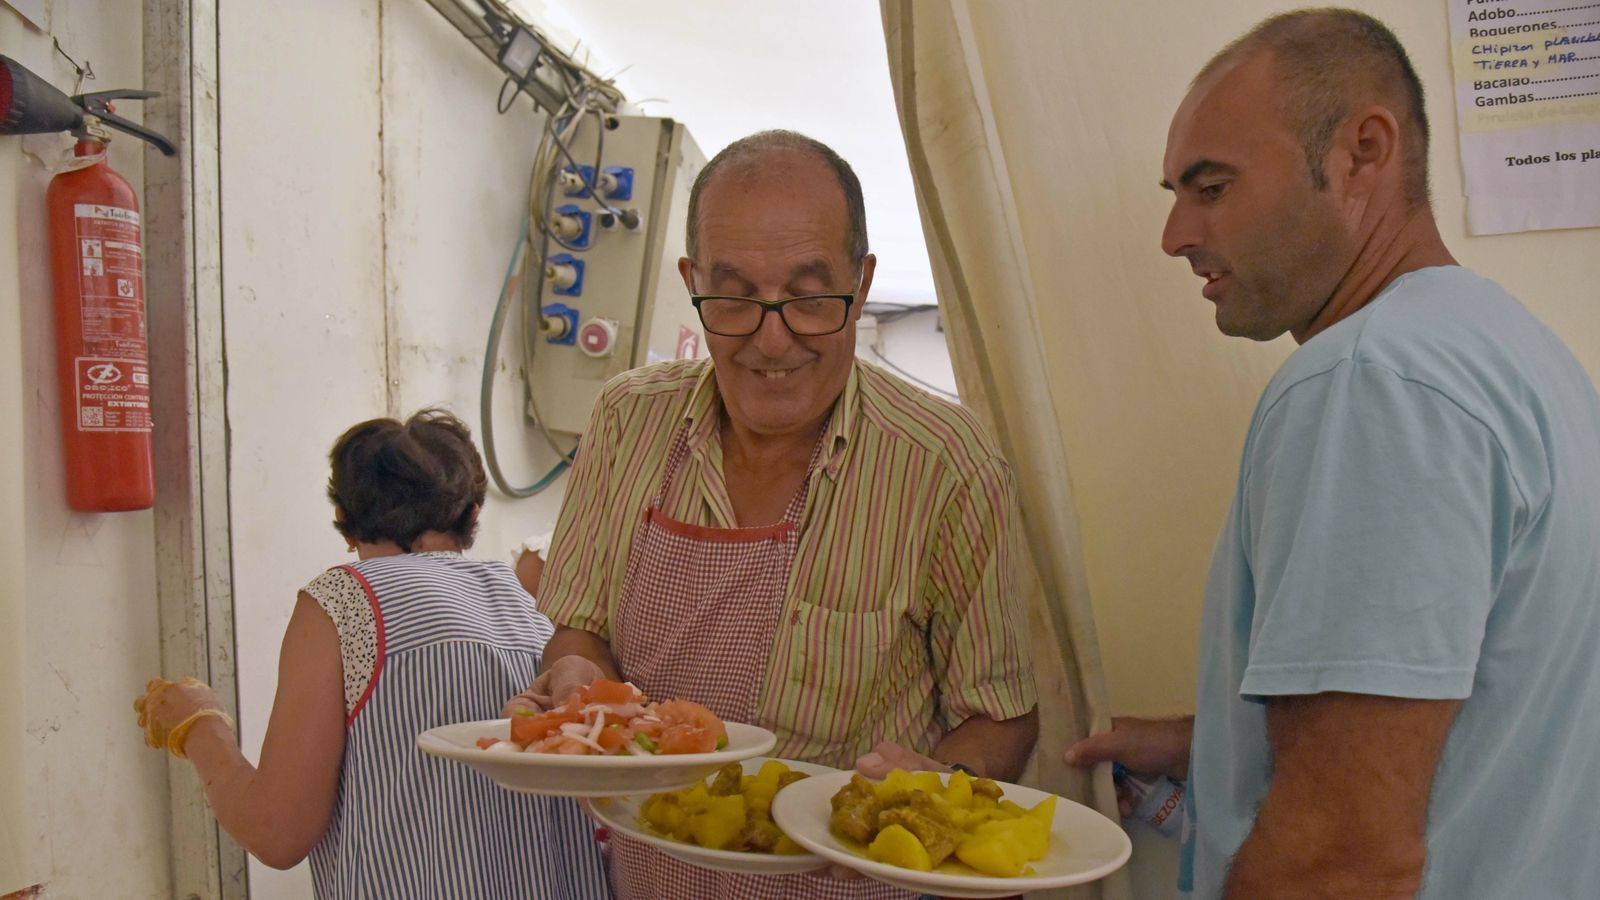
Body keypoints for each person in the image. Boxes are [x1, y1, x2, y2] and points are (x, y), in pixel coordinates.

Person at [1065, 9, 1600, 900]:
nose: (1175, 235)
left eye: (1212, 186)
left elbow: (1343, 857)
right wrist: (1220, 745)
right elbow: (1489, 719)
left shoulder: (1368, 381)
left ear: (1362, 153)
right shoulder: (1522, 356)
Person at [507, 130, 1039, 899]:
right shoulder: (627, 422)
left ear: (860, 285)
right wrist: (579, 683)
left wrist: (942, 782)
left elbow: (1001, 718)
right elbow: (580, 624)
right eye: (733, 298)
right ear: (692, 281)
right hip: (660, 878)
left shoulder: (944, 463)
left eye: (811, 297)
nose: (772, 338)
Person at [133, 410, 609, 900]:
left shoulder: (342, 601)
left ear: (344, 522)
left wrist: (199, 726)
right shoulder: (528, 600)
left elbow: (278, 832)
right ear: (471, 515)